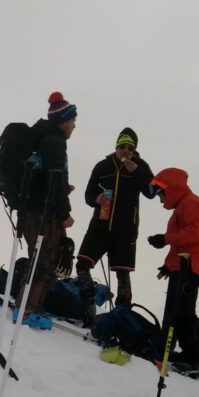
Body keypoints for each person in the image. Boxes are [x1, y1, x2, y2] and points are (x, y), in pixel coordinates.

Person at [75, 127, 155, 325]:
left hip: (125, 229)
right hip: (99, 226)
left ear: (134, 149)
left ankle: (122, 315)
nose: (125, 151)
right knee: (82, 264)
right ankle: (88, 307)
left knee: (122, 273)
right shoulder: (102, 166)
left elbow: (152, 191)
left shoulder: (140, 166)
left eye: (129, 147)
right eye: (122, 146)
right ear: (116, 146)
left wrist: (136, 172)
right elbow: (88, 195)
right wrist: (96, 198)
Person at [14, 91, 77, 326]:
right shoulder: (55, 141)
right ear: (63, 121)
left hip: (29, 208)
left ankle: (22, 306)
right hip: (44, 211)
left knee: (36, 258)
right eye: (72, 120)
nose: (74, 126)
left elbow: (44, 176)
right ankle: (29, 311)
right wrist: (65, 214)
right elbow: (55, 179)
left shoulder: (38, 137)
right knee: (47, 262)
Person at [145, 167, 199, 379]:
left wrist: (165, 239)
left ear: (170, 190)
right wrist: (168, 265)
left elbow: (196, 233)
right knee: (174, 310)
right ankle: (172, 350)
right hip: (181, 266)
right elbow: (181, 244)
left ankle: (194, 360)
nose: (161, 199)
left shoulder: (191, 204)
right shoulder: (183, 206)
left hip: (191, 267)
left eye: (161, 194)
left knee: (183, 311)